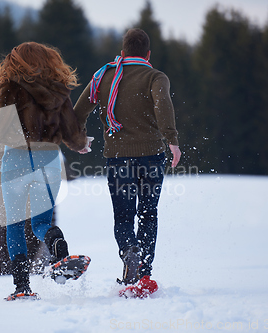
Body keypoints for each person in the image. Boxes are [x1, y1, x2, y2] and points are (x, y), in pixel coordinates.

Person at [0, 42, 93, 299]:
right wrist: (81, 144)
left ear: (16, 62)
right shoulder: (58, 89)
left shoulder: (9, 87)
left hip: (16, 159)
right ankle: (58, 247)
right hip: (48, 158)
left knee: (14, 224)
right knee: (42, 222)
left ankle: (22, 288)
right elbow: (72, 132)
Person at [73, 28, 181, 285]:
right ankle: (144, 273)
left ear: (123, 52)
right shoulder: (156, 76)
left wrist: (78, 138)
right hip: (152, 157)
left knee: (123, 216)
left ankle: (129, 252)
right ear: (148, 53)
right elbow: (162, 105)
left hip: (118, 158)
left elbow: (79, 111)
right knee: (148, 213)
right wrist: (172, 140)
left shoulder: (104, 76)